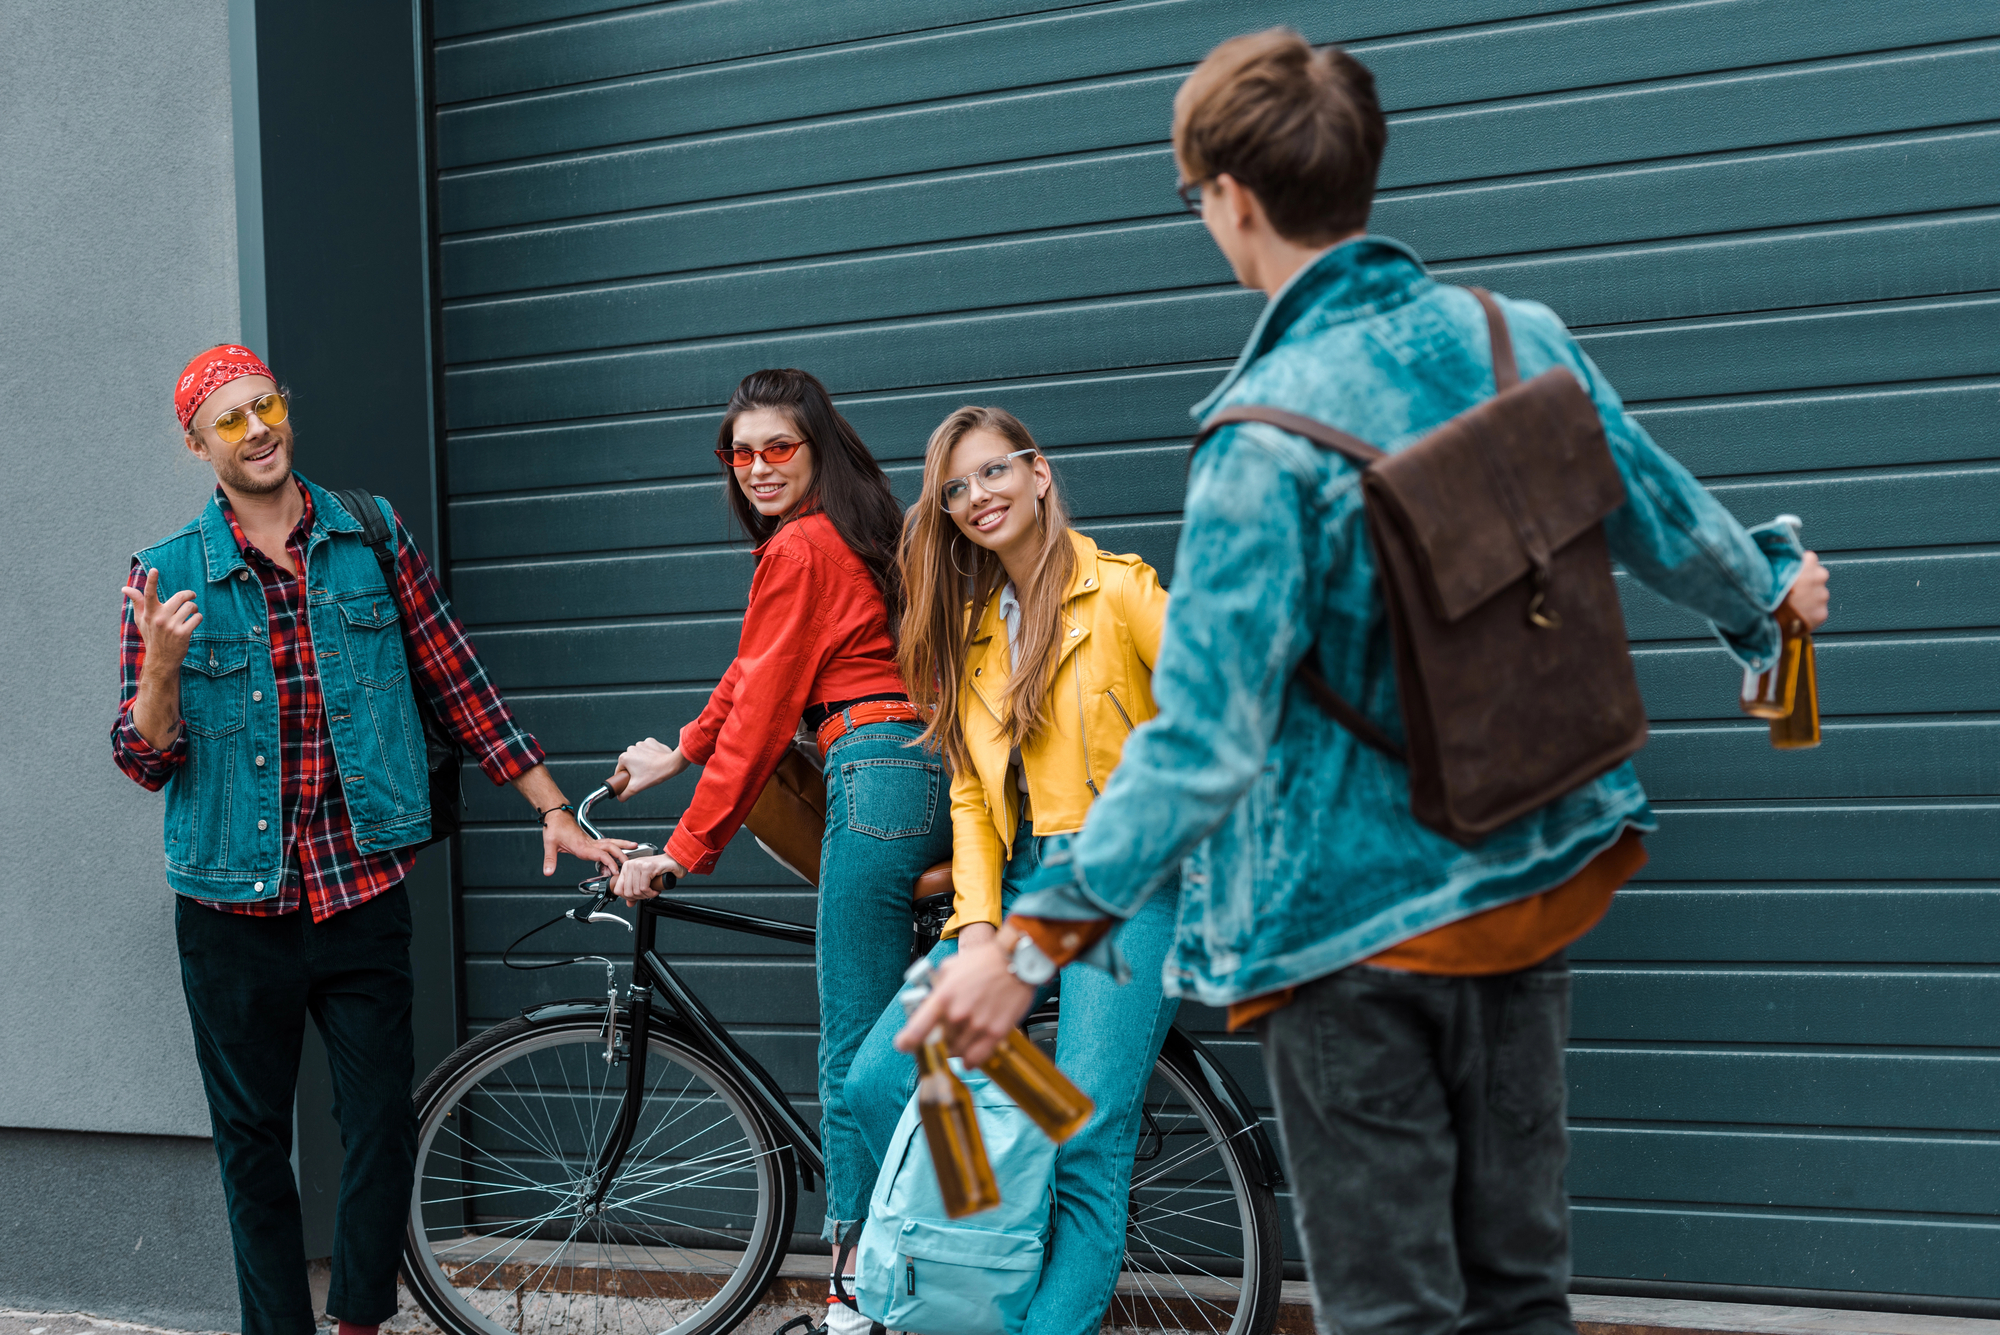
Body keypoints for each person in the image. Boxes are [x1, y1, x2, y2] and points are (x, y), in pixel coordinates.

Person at [900, 30, 1834, 1335]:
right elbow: (1666, 520)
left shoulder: (1260, 443)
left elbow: (1202, 741)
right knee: (1518, 1292)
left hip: (1349, 939)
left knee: (1390, 1309)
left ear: (1229, 198)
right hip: (1527, 882)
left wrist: (1042, 935)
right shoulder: (1520, 339)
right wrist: (1768, 605)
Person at [114, 344, 629, 1335]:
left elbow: (458, 682)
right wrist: (162, 673)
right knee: (253, 1143)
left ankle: (357, 1322)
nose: (256, 428)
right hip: (231, 909)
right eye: (230, 419)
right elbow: (141, 759)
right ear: (196, 443)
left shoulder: (371, 534)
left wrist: (554, 807)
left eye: (266, 405)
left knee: (382, 1127)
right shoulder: (164, 574)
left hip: (358, 890)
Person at [603, 368, 948, 1334]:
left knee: (848, 1052)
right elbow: (757, 675)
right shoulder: (852, 531)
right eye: (740, 452)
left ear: (816, 448)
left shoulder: (798, 545)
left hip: (873, 774)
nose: (756, 467)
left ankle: (853, 1294)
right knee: (893, 1044)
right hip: (913, 773)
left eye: (777, 448)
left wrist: (681, 849)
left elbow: (759, 716)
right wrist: (678, 749)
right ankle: (924, 1253)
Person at [842, 406, 1177, 1334]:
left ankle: (1044, 1310)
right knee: (879, 1079)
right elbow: (971, 800)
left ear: (1039, 473)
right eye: (954, 488)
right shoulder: (974, 632)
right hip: (1019, 889)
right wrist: (980, 923)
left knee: (1087, 1146)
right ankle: (988, 1260)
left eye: (993, 473)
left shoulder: (1121, 593)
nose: (975, 497)